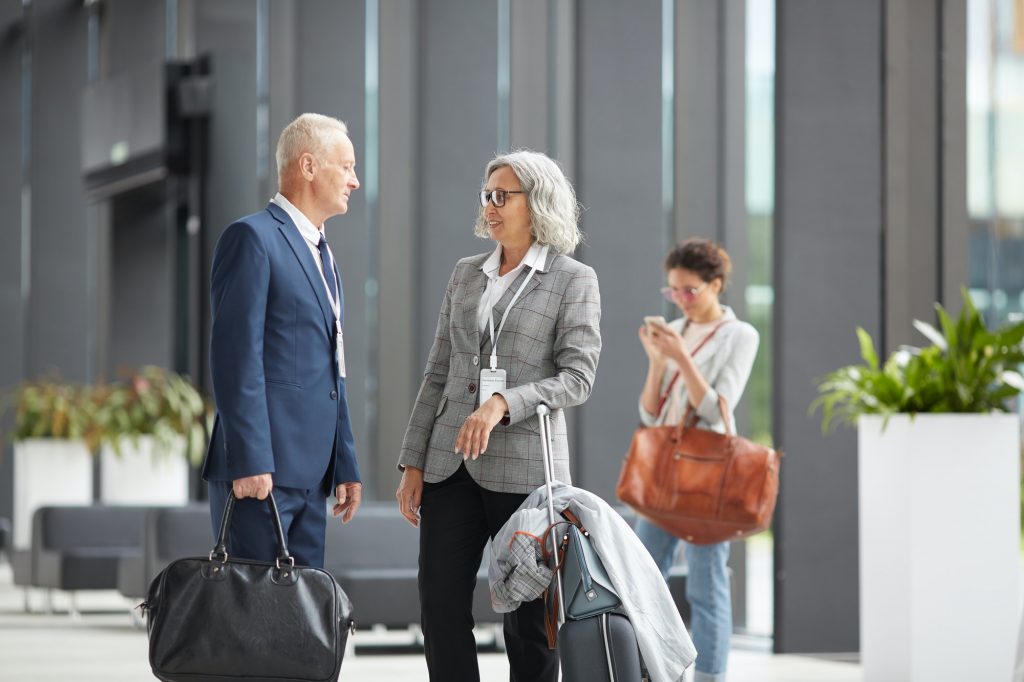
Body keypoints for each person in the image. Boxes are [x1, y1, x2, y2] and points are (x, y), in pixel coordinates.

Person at [395, 150, 601, 682]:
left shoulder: (572, 279)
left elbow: (577, 378)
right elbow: (437, 372)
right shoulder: (467, 274)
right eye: (487, 195)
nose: (490, 206)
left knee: (529, 624)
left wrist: (505, 401)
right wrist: (412, 461)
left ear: (538, 203)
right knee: (439, 610)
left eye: (501, 196)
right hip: (450, 466)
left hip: (528, 474)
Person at [202, 113, 363, 568]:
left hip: (311, 477)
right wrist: (250, 459)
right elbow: (236, 359)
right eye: (346, 166)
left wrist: (344, 463)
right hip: (261, 471)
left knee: (300, 625)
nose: (354, 180)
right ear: (308, 166)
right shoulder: (252, 238)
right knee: (252, 620)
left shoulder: (325, 257)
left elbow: (334, 368)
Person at [634, 238, 759, 682]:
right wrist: (656, 361)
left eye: (691, 290)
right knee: (642, 573)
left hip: (709, 474)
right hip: (665, 470)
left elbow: (716, 407)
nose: (682, 300)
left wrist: (681, 358)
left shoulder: (740, 335)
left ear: (717, 285)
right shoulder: (674, 330)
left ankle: (709, 675)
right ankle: (650, 668)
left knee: (708, 584)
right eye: (674, 291)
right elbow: (650, 413)